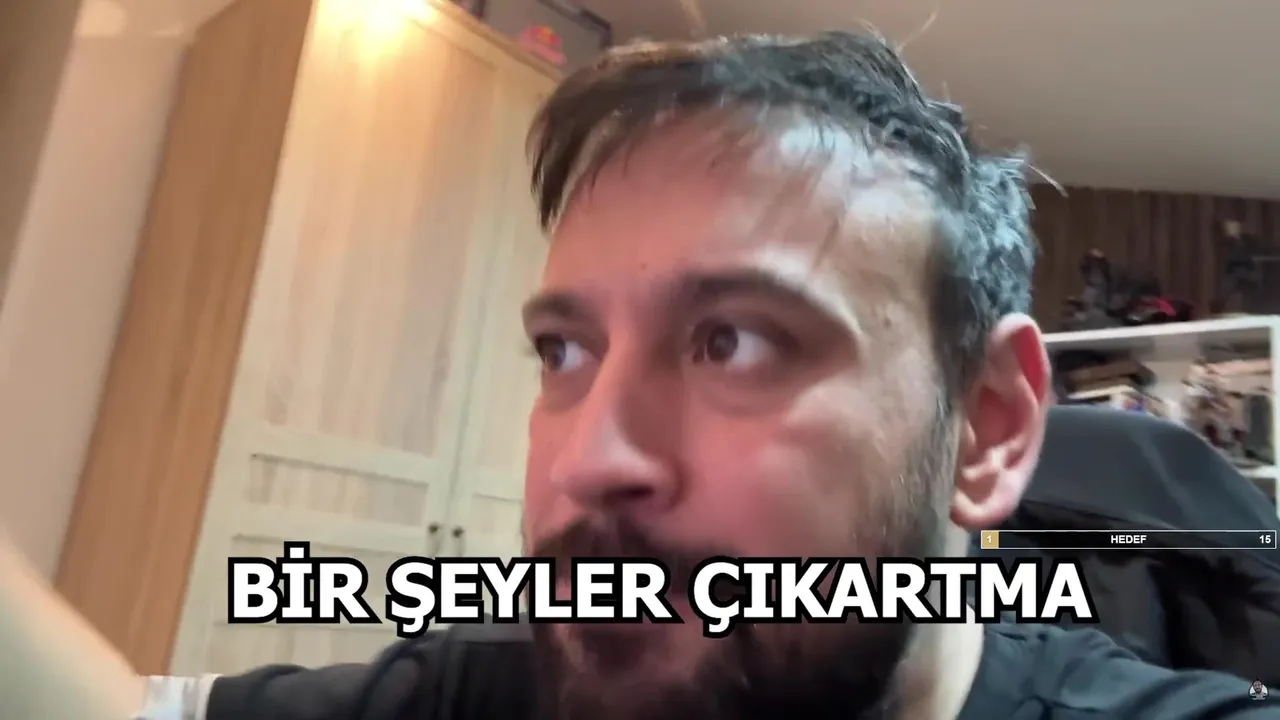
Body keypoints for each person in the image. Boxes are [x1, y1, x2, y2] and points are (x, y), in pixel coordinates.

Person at [2, 31, 1276, 720]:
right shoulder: (490, 689)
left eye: (732, 341)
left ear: (987, 427)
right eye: (562, 352)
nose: (588, 460)